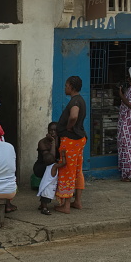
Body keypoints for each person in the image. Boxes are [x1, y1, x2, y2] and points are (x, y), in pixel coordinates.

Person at [55, 76, 87, 214]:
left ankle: (66, 205)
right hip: (80, 140)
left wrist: (69, 127)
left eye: (66, 85)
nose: (65, 88)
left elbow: (73, 116)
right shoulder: (81, 100)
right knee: (77, 171)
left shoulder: (75, 102)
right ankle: (77, 202)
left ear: (72, 87)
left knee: (67, 170)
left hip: (71, 141)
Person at [37, 151, 66, 215]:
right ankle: (44, 209)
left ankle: (41, 206)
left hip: (44, 185)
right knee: (46, 198)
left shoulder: (48, 166)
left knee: (43, 197)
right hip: (49, 186)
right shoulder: (54, 166)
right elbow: (64, 163)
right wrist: (63, 156)